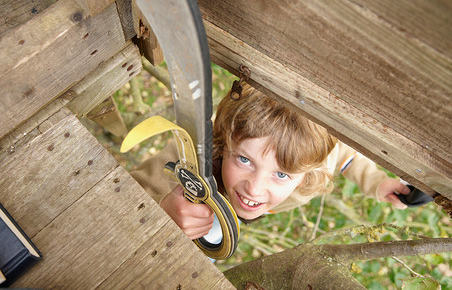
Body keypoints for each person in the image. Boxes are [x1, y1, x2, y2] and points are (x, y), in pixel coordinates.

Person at [130, 83, 411, 241]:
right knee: (201, 229)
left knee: (217, 236)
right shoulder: (198, 146)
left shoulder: (318, 156)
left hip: (235, 211)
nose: (255, 188)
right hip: (198, 200)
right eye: (244, 160)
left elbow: (346, 157)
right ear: (224, 143)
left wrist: (376, 182)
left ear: (308, 171)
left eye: (281, 175)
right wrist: (162, 211)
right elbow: (134, 190)